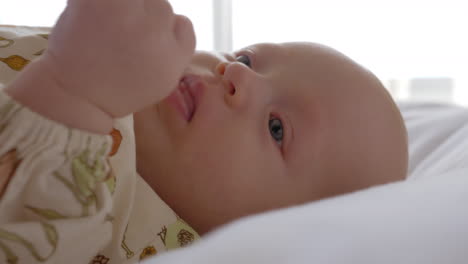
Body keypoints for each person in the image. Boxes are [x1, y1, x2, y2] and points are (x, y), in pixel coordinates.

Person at [0, 0, 408, 263]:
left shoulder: (129, 235)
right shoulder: (121, 68)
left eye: (276, 129)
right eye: (247, 60)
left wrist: (73, 93)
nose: (233, 74)